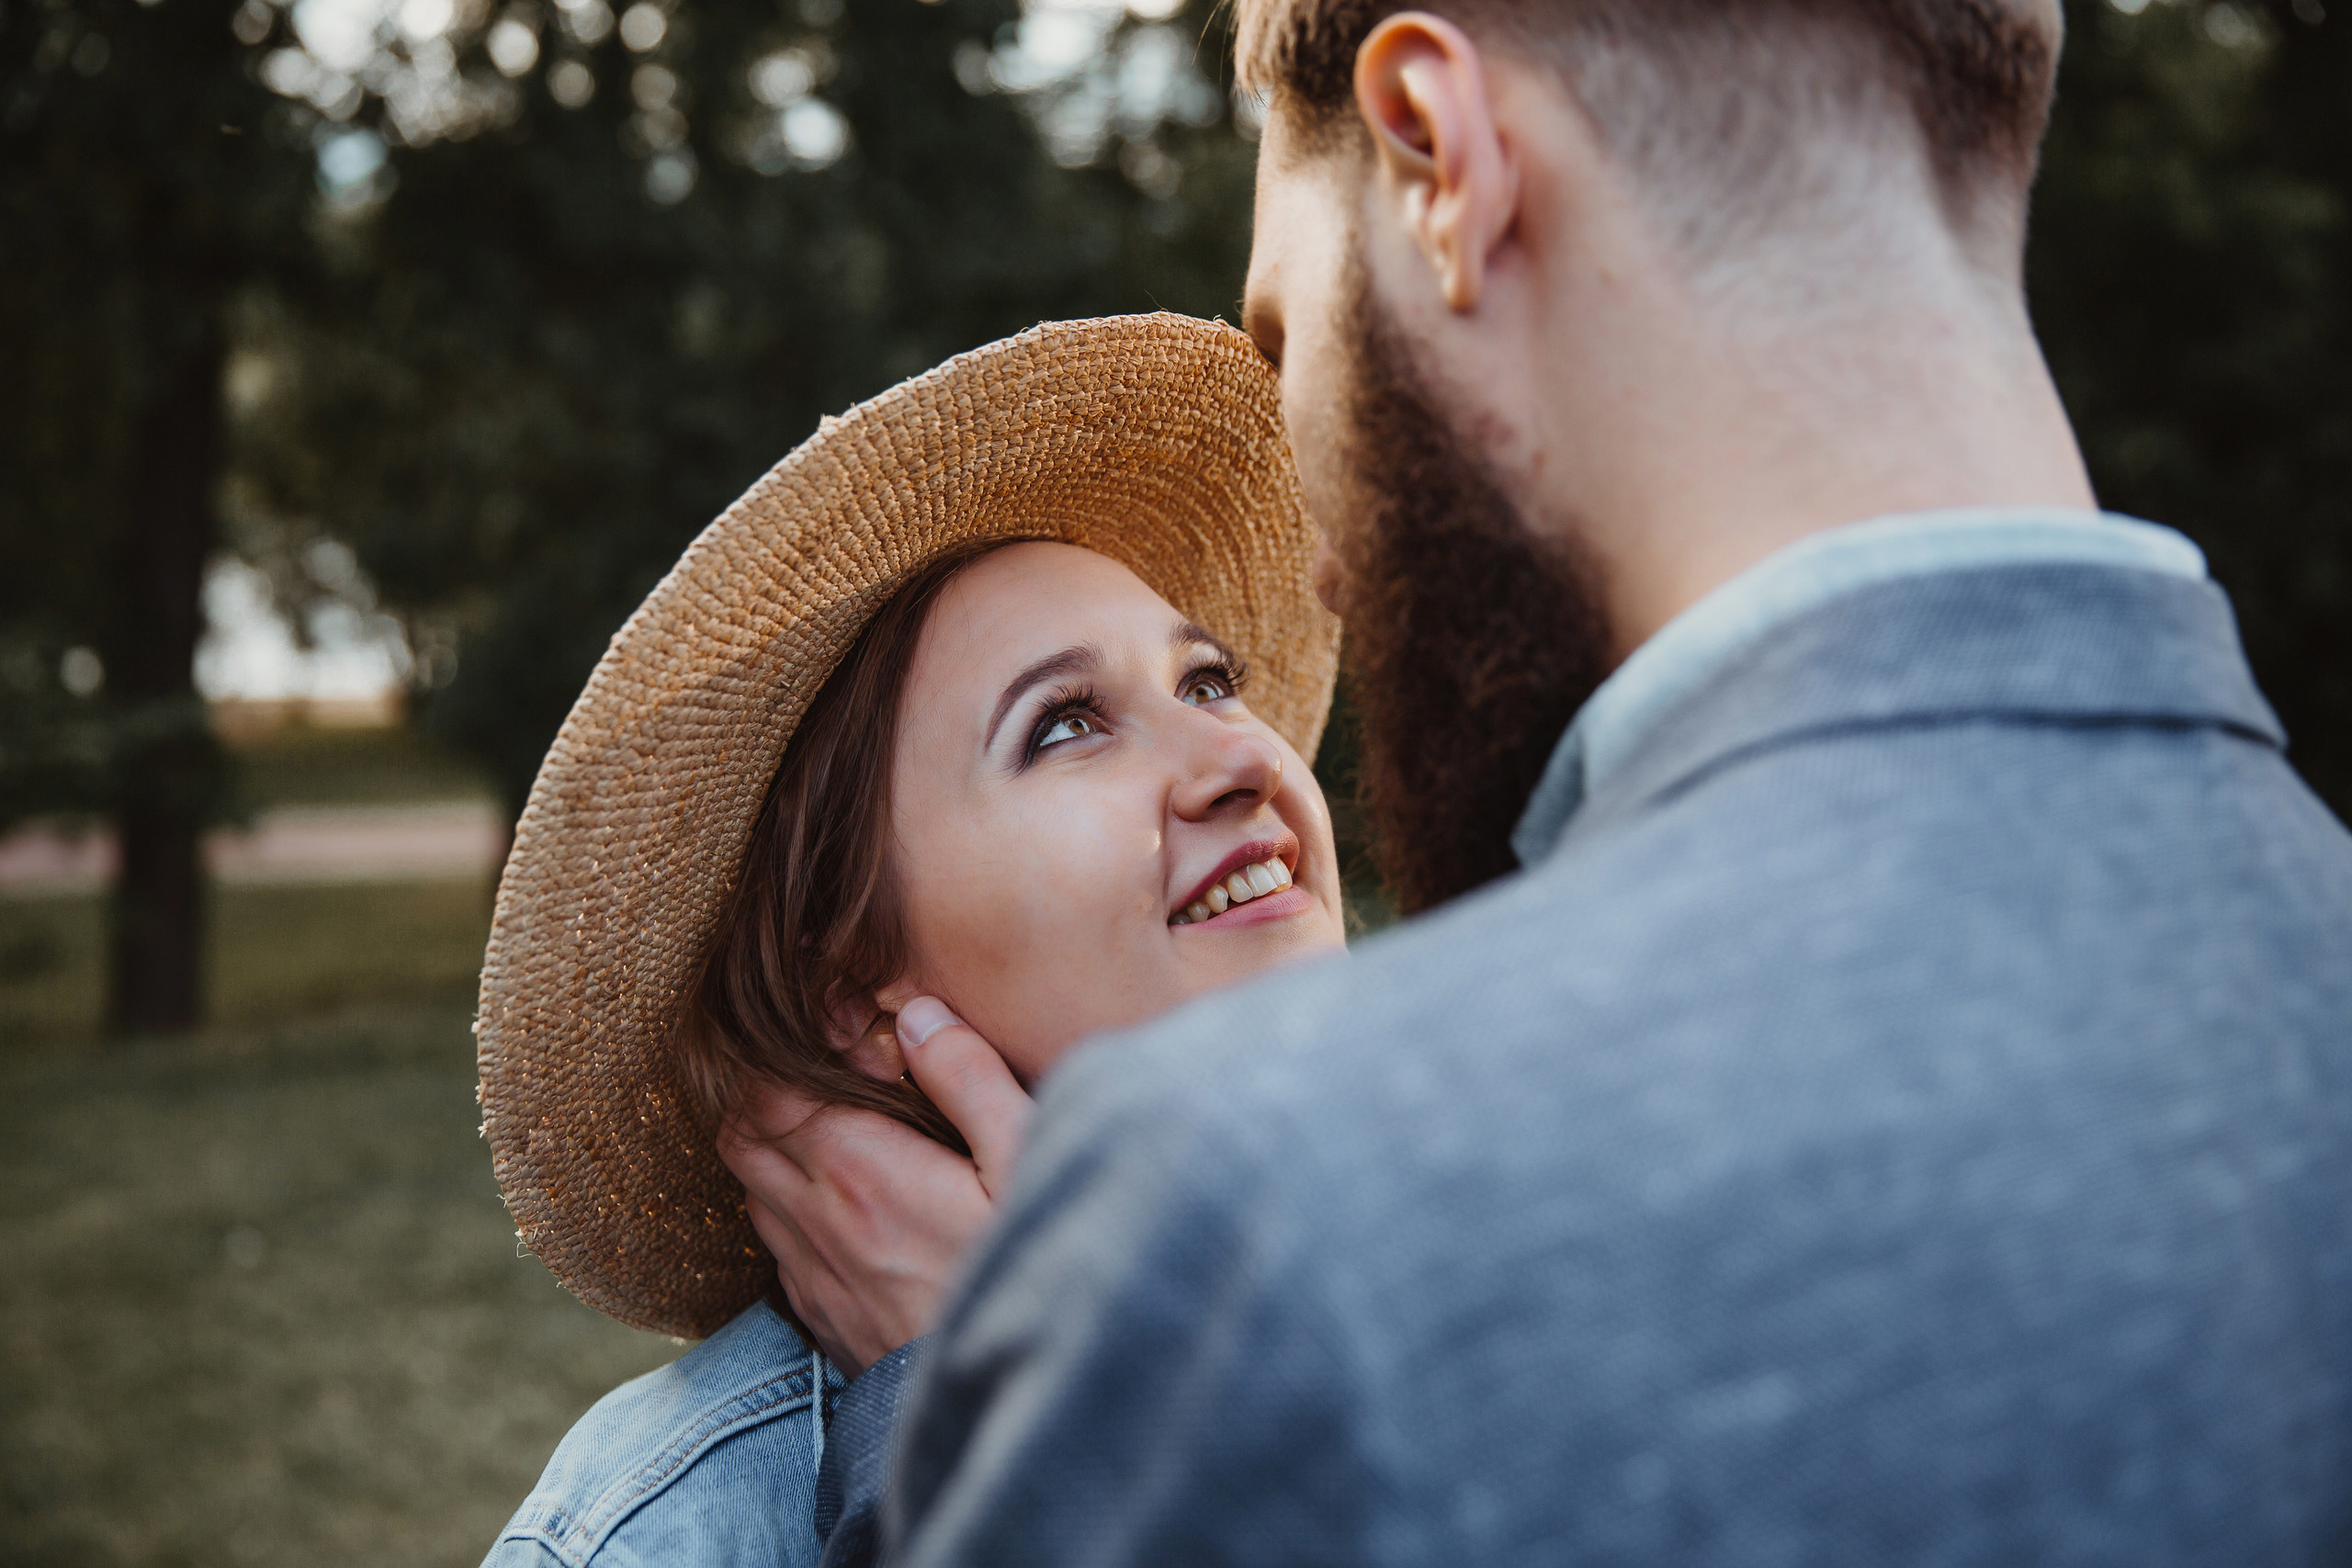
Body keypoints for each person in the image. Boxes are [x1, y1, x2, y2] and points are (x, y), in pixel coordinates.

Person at [754, 3, 2352, 1563]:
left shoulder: (1258, 1232)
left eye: (1288, 339)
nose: (1315, 571)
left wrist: (973, 1434)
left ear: (1442, 160)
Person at [469, 314, 1348, 1566]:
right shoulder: (668, 1534)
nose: (1240, 759)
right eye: (1062, 726)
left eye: (1208, 682)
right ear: (858, 998)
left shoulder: (1508, 1253)